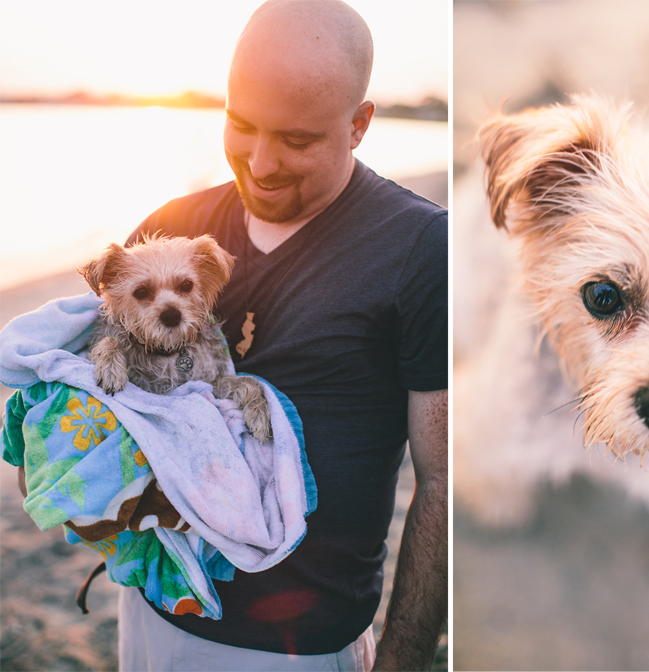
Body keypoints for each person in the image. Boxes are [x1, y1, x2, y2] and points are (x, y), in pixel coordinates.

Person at [70, 1, 447, 669]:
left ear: (359, 125)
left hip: (301, 649)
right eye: (241, 126)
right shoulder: (172, 226)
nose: (262, 163)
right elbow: (92, 401)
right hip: (156, 611)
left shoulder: (420, 249)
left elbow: (442, 480)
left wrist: (405, 657)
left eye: (298, 140)